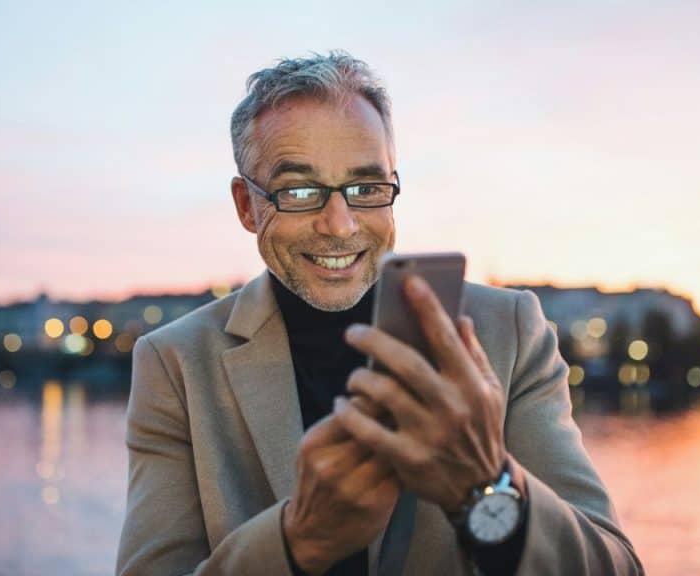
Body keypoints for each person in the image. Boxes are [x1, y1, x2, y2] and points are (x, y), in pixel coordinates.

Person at [115, 51, 643, 575]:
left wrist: (486, 487)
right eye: (299, 190)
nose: (340, 225)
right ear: (246, 206)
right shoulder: (176, 363)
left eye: (366, 188)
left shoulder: (510, 332)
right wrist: (297, 542)